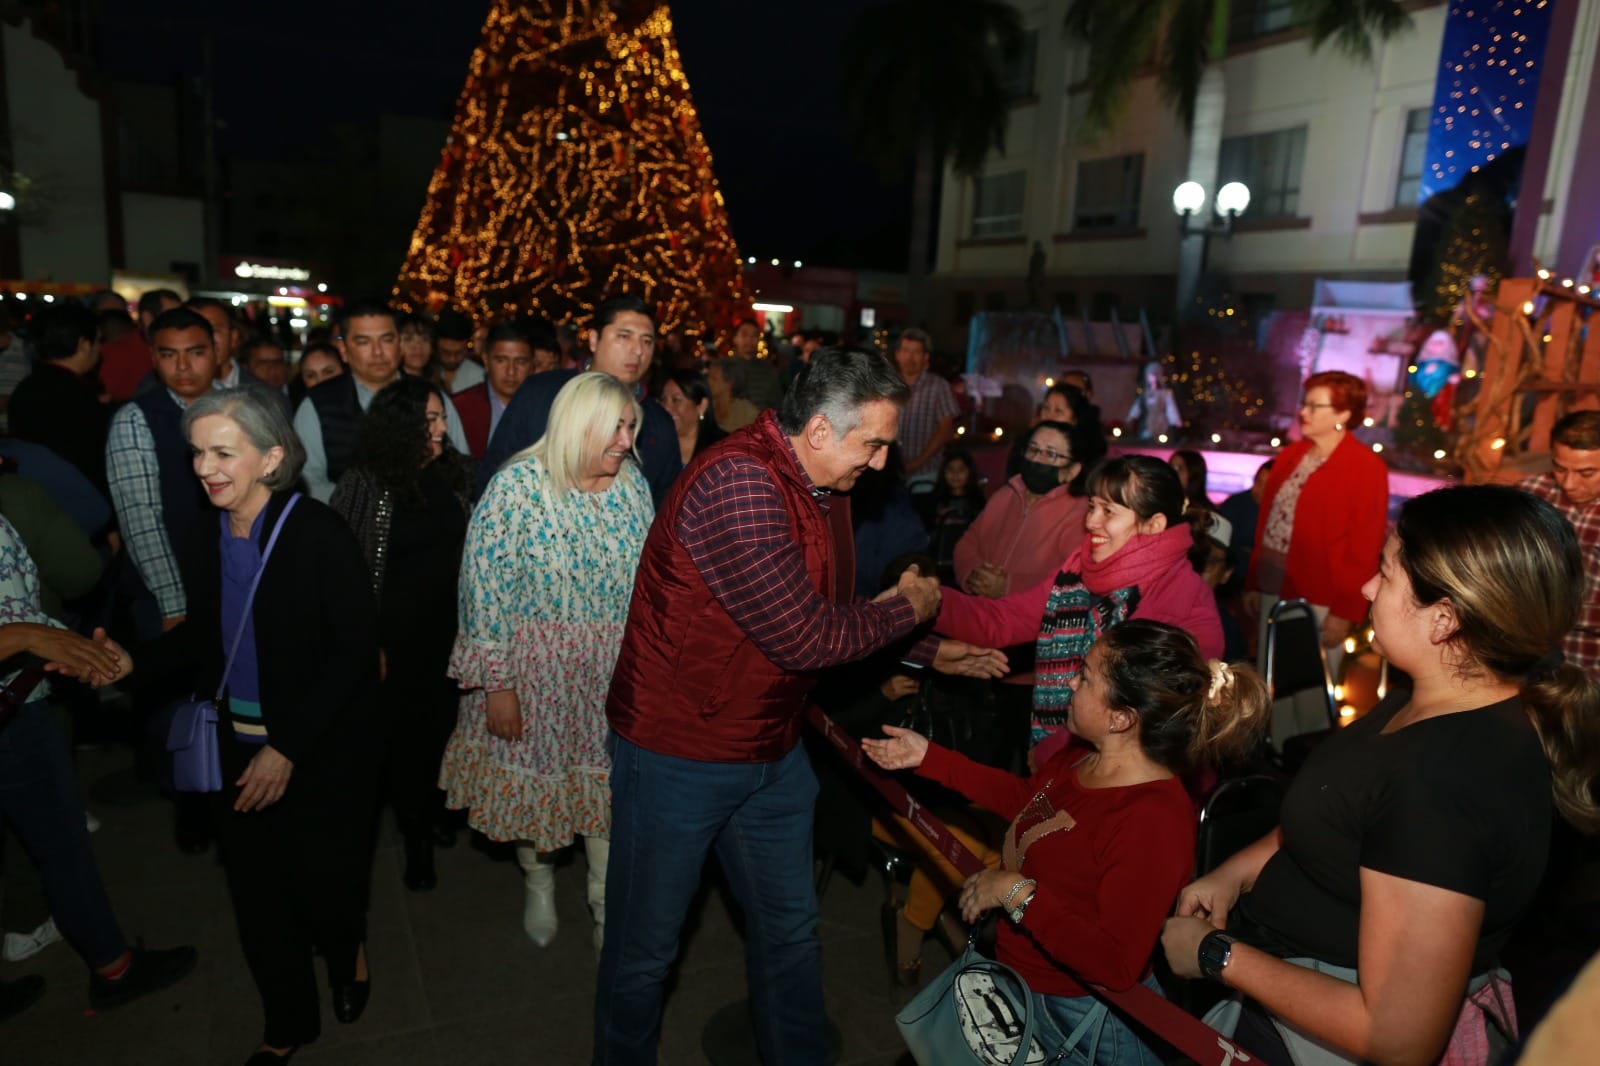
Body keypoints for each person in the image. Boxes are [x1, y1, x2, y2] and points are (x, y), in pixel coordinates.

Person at [594, 347, 1006, 1064]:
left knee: (789, 932)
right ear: (818, 431)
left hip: (770, 745)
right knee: (644, 955)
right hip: (678, 755)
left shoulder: (823, 488)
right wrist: (910, 614)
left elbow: (829, 613)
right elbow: (806, 636)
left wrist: (925, 652)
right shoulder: (742, 485)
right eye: (873, 443)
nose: (881, 463)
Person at [1162, 484, 1600, 1066]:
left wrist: (1217, 955)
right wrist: (1238, 872)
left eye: (1386, 574)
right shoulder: (1435, 697)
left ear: (1444, 619)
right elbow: (1345, 812)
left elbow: (1398, 1036)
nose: (1367, 588)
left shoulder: (1442, 784)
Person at [867, 620, 1270, 1066]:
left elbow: (1114, 964)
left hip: (1081, 1020)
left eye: (1086, 676)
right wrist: (929, 757)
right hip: (1025, 982)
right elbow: (1028, 801)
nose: (1070, 682)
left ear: (1123, 718)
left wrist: (1015, 892)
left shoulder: (1153, 821)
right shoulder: (1082, 756)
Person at [133, 387, 382, 1064]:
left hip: (321, 752)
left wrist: (287, 747)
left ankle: (347, 947)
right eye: (197, 454)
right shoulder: (208, 532)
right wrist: (124, 660)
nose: (206, 468)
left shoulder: (318, 534)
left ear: (271, 458)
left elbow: (355, 654)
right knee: (260, 902)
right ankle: (287, 1026)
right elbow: (202, 641)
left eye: (223, 452)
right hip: (234, 750)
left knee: (328, 891)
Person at [441, 372, 654, 953]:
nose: (625, 440)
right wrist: (498, 687)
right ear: (575, 425)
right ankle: (538, 881)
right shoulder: (516, 489)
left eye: (630, 426)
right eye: (614, 427)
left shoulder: (632, 487)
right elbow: (481, 592)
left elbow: (650, 585)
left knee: (608, 795)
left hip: (612, 675)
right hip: (535, 678)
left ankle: (606, 906)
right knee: (539, 794)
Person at [0, 531, 197, 1022]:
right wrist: (26, 636)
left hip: (21, 694)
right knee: (62, 846)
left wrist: (55, 643)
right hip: (10, 718)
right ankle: (115, 971)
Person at [934, 455, 1224, 765]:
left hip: (1138, 776)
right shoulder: (1080, 569)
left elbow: (1130, 708)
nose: (1091, 522)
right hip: (1075, 761)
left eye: (1108, 511)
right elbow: (1003, 619)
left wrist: (1053, 753)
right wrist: (927, 602)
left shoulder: (1179, 595)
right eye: (1092, 506)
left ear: (1154, 525)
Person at [331, 378, 472, 892]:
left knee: (444, 733)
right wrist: (366, 643)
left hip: (450, 634)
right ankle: (415, 839)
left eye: (440, 420)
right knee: (405, 742)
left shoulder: (456, 474)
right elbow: (342, 572)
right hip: (392, 639)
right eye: (427, 421)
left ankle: (436, 813)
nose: (438, 431)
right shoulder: (364, 482)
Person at [1245, 371, 1388, 678]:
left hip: (1320, 597)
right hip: (1273, 584)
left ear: (1344, 413)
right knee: (1266, 680)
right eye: (1304, 403)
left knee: (1306, 697)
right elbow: (1267, 524)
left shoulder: (1365, 467)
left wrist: (1345, 611)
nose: (1303, 412)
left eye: (1314, 406)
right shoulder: (1291, 455)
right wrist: (1255, 581)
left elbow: (1365, 545)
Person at [480, 293, 680, 506]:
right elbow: (496, 471)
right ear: (594, 340)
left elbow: (666, 511)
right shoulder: (541, 393)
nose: (638, 350)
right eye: (624, 336)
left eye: (647, 341)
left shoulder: (659, 424)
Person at [105, 307, 219, 637]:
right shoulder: (137, 419)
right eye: (169, 355)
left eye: (195, 353)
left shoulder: (244, 407)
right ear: (154, 358)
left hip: (237, 581)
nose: (183, 367)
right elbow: (141, 520)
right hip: (168, 593)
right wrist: (173, 606)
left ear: (216, 351)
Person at [293, 300, 470, 503]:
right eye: (364, 342)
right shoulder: (317, 405)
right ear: (343, 349)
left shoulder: (431, 398)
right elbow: (310, 482)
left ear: (399, 344)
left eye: (386, 340)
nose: (377, 352)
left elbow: (460, 470)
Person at [1519, 410, 1600, 680]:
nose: (1569, 483)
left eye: (1586, 473)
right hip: (1524, 656)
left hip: (1589, 665)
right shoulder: (1531, 495)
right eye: (1560, 468)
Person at [8, 302, 111, 492]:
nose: (100, 349)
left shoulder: (26, 388)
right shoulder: (76, 394)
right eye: (98, 340)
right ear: (83, 345)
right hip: (76, 501)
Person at [452, 321, 535, 459]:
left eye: (520, 362)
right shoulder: (460, 407)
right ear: (486, 360)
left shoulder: (546, 408)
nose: (511, 371)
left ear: (532, 365)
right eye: (501, 360)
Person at [894, 327, 959, 492]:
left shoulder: (938, 386)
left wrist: (917, 463)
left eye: (916, 352)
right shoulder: (887, 385)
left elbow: (946, 429)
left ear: (925, 357)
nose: (910, 357)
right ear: (897, 355)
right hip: (890, 475)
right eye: (906, 351)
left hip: (925, 473)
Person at [922, 447, 987, 581]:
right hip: (939, 563)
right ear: (943, 472)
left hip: (968, 563)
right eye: (950, 469)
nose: (955, 475)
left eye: (961, 470)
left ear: (969, 472)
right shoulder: (933, 500)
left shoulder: (978, 501)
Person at [658, 369, 725, 465]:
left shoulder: (722, 449)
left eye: (676, 400)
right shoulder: (654, 445)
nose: (666, 408)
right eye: (663, 400)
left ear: (701, 406)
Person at [1125, 360, 1182, 440]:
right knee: (1146, 438)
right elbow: (1137, 406)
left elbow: (1171, 407)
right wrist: (1131, 416)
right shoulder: (1145, 393)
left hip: (1161, 422)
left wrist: (1176, 420)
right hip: (1147, 422)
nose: (1152, 378)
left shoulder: (1164, 393)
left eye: (1154, 375)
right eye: (1150, 375)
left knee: (1161, 439)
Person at [433, 308, 485, 394]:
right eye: (446, 352)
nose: (452, 359)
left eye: (459, 353)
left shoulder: (480, 377)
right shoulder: (424, 371)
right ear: (436, 347)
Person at [707, 357, 758, 432]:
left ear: (730, 383)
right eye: (708, 377)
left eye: (714, 379)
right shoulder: (705, 407)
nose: (708, 382)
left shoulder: (747, 413)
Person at [397, 312, 436, 379]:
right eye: (408, 339)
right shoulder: (388, 384)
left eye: (424, 339)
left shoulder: (439, 385)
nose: (418, 346)